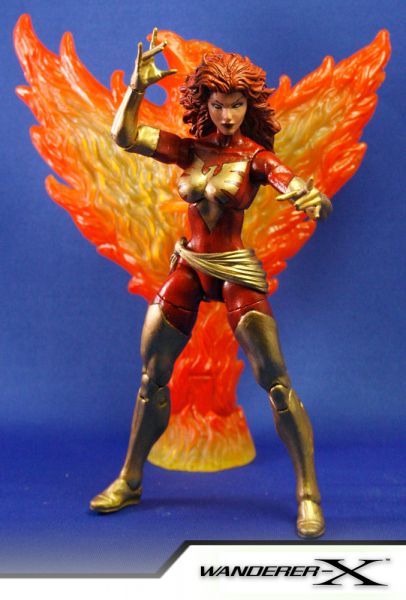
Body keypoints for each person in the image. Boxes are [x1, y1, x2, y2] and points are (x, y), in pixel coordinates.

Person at [90, 29, 332, 538]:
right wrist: (137, 88)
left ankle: (308, 493)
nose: (227, 115)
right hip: (189, 265)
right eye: (218, 104)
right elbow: (125, 138)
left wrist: (312, 198)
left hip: (235, 270)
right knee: (152, 377)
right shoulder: (188, 149)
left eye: (236, 104)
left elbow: (291, 181)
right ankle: (130, 479)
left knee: (276, 381)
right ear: (205, 104)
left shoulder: (255, 157)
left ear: (248, 105)